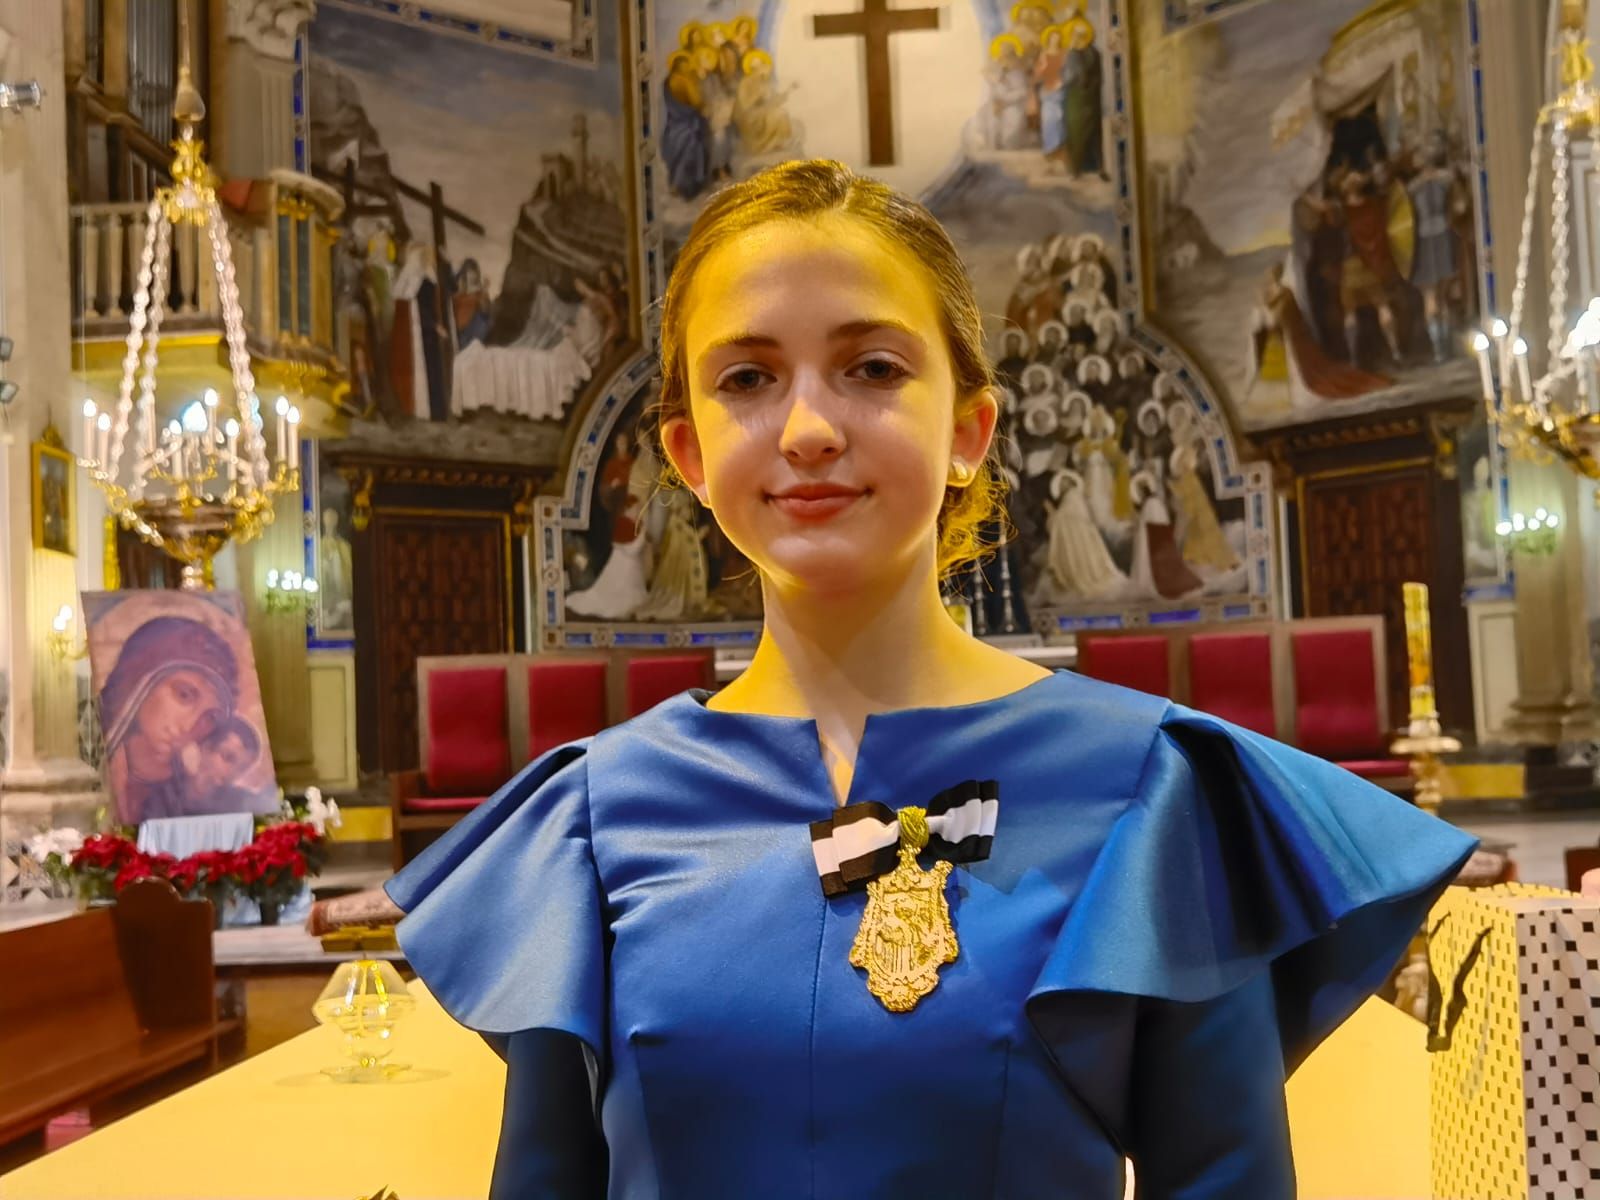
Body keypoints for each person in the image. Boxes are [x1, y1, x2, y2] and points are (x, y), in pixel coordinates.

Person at [316, 160, 1476, 1197]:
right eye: (746, 379)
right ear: (687, 455)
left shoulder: (1153, 791)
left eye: (871, 367)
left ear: (969, 429)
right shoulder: (585, 821)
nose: (810, 426)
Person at [100, 616, 238, 826]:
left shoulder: (185, 790)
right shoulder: (90, 755)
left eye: (210, 716)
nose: (189, 727)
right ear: (139, 682)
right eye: (184, 695)